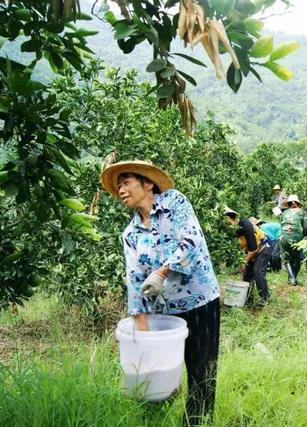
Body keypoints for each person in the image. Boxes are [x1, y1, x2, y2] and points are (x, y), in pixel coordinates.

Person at [100, 160, 220, 425]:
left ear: (148, 183)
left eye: (127, 183)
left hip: (199, 299)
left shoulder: (174, 203)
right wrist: (140, 326)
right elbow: (134, 279)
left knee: (202, 367)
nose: (121, 190)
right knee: (162, 370)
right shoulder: (130, 234)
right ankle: (156, 415)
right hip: (165, 311)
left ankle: (197, 421)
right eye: (118, 186)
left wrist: (162, 272)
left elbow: (191, 241)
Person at [223, 208, 271, 304]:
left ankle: (265, 299)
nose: (227, 225)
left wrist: (244, 263)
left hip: (262, 248)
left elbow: (253, 249)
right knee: (247, 276)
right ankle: (247, 298)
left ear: (233, 218)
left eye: (228, 222)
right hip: (250, 251)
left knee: (258, 272)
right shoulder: (232, 229)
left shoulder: (246, 226)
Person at [280, 194, 307, 286]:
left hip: (284, 237)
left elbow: (282, 225)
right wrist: (304, 236)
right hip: (297, 237)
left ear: (289, 204)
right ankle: (294, 278)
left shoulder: (284, 213)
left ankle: (292, 279)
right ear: (297, 203)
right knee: (299, 257)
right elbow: (306, 227)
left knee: (287, 259)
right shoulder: (302, 212)